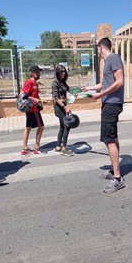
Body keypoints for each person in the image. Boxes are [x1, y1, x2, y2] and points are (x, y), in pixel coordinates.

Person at [83, 37, 125, 193]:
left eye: (97, 48)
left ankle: (118, 179)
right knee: (112, 137)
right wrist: (90, 88)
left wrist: (101, 95)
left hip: (112, 104)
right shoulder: (108, 62)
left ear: (101, 47)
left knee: (109, 140)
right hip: (109, 103)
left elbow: (119, 81)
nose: (97, 51)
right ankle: (114, 171)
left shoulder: (113, 58)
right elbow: (106, 83)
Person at [21, 64, 46, 155]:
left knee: (28, 128)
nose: (38, 74)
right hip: (32, 109)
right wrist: (35, 100)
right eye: (36, 72)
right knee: (41, 127)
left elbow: (34, 96)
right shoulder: (29, 82)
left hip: (34, 108)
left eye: (39, 72)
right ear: (31, 73)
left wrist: (40, 101)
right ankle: (37, 147)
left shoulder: (35, 83)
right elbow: (23, 94)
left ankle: (24, 148)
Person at [51, 65, 74, 157]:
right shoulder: (55, 83)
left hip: (64, 106)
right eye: (61, 71)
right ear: (57, 72)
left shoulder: (63, 83)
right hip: (59, 107)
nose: (63, 73)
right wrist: (65, 107)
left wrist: (78, 92)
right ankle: (64, 148)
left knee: (62, 127)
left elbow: (71, 91)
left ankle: (58, 147)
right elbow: (56, 98)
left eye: (64, 71)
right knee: (67, 126)